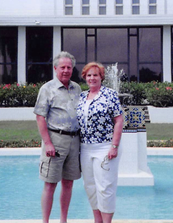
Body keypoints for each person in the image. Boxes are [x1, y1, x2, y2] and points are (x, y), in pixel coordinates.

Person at [34, 51, 82, 223]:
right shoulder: (47, 89)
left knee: (68, 183)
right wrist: (47, 143)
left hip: (75, 141)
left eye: (69, 67)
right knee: (50, 183)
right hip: (55, 140)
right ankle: (45, 221)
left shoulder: (77, 88)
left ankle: (63, 220)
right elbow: (40, 116)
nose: (66, 70)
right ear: (55, 68)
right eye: (62, 67)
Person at [76, 62, 124, 223]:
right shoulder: (82, 96)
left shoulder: (110, 94)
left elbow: (118, 120)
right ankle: (98, 220)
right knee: (90, 187)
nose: (92, 78)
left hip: (105, 146)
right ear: (85, 77)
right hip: (85, 148)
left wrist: (114, 146)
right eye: (89, 75)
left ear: (101, 77)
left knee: (105, 187)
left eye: (95, 75)